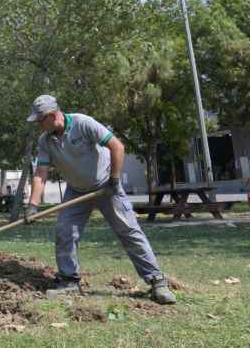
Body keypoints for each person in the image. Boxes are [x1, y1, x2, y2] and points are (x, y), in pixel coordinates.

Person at [24, 95, 176, 305]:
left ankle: (157, 281)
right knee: (65, 231)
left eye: (40, 120)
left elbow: (117, 146)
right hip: (76, 191)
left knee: (128, 231)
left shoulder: (82, 123)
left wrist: (114, 180)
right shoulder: (45, 141)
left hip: (106, 186)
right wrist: (32, 205)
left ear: (52, 115)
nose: (39, 125)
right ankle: (69, 281)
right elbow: (40, 174)